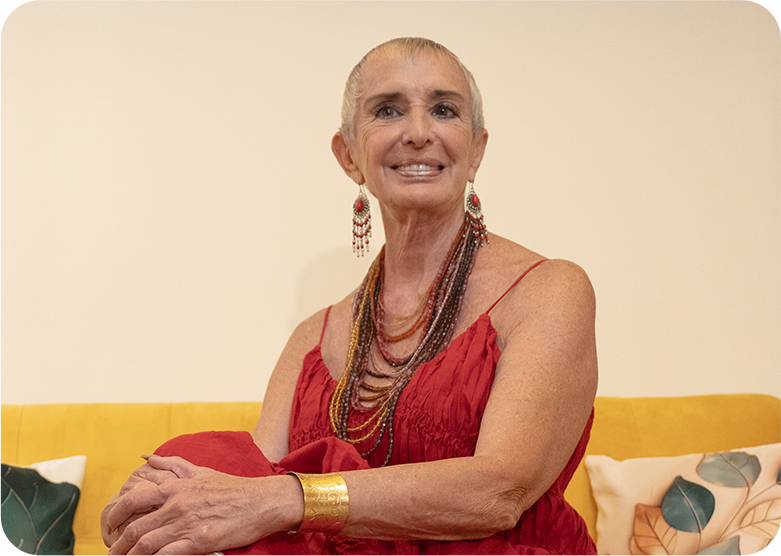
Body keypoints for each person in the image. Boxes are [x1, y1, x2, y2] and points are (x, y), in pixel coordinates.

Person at [101, 37, 598, 556]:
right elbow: (245, 492)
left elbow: (499, 493)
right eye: (388, 110)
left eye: (444, 110)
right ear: (349, 156)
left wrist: (289, 498)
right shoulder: (312, 339)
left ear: (476, 150)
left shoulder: (549, 291)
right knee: (192, 459)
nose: (418, 132)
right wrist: (161, 508)